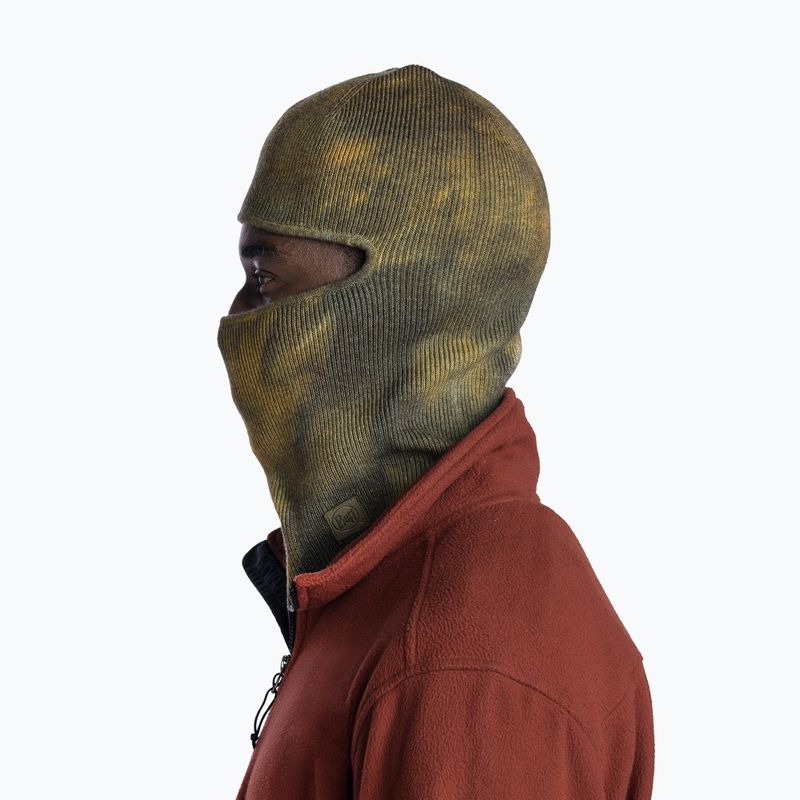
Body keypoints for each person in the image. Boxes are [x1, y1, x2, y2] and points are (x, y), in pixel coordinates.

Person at [217, 63, 655, 799]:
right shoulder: (388, 584)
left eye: (265, 279)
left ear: (397, 302)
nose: (234, 318)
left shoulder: (467, 660)